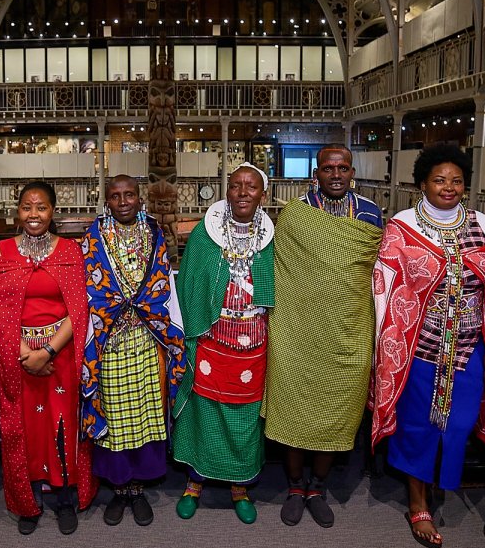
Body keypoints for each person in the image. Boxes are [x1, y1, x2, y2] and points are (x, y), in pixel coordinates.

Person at [370, 144, 485, 548]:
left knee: (458, 424)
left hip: (468, 347)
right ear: (422, 183)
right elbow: (385, 289)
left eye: (456, 180)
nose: (448, 187)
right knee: (419, 425)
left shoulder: (484, 224)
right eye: (439, 180)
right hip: (417, 347)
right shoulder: (403, 225)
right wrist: (388, 348)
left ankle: (440, 481)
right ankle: (418, 502)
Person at [263, 145, 383, 528]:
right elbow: (279, 267)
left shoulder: (370, 214)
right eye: (328, 168)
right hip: (297, 330)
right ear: (316, 172)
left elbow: (381, 275)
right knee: (295, 410)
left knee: (336, 413)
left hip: (349, 331)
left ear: (352, 172)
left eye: (342, 168)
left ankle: (318, 487)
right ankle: (295, 486)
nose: (335, 174)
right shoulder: (296, 215)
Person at [0, 181, 95, 535]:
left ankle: (64, 498)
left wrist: (47, 351)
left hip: (60, 355)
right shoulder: (1, 253)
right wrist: (25, 355)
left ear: (53, 212)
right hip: (16, 355)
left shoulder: (69, 251)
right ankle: (28, 502)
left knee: (62, 426)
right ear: (18, 212)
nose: (34, 214)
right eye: (27, 207)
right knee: (24, 430)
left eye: (41, 207)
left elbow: (79, 308)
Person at [171, 163, 274, 524]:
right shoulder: (206, 234)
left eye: (251, 187)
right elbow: (190, 283)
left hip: (254, 345)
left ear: (263, 194)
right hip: (211, 342)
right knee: (204, 412)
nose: (243, 192)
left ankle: (239, 487)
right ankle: (194, 483)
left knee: (244, 417)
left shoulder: (272, 239)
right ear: (226, 191)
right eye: (236, 186)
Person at [80, 174, 186, 526]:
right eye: (115, 196)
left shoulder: (155, 231)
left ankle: (137, 487)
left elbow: (162, 279)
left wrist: (145, 310)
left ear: (140, 199)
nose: (123, 201)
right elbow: (89, 284)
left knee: (144, 411)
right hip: (109, 337)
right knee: (114, 411)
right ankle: (119, 487)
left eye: (129, 195)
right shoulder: (92, 236)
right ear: (106, 200)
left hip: (146, 335)